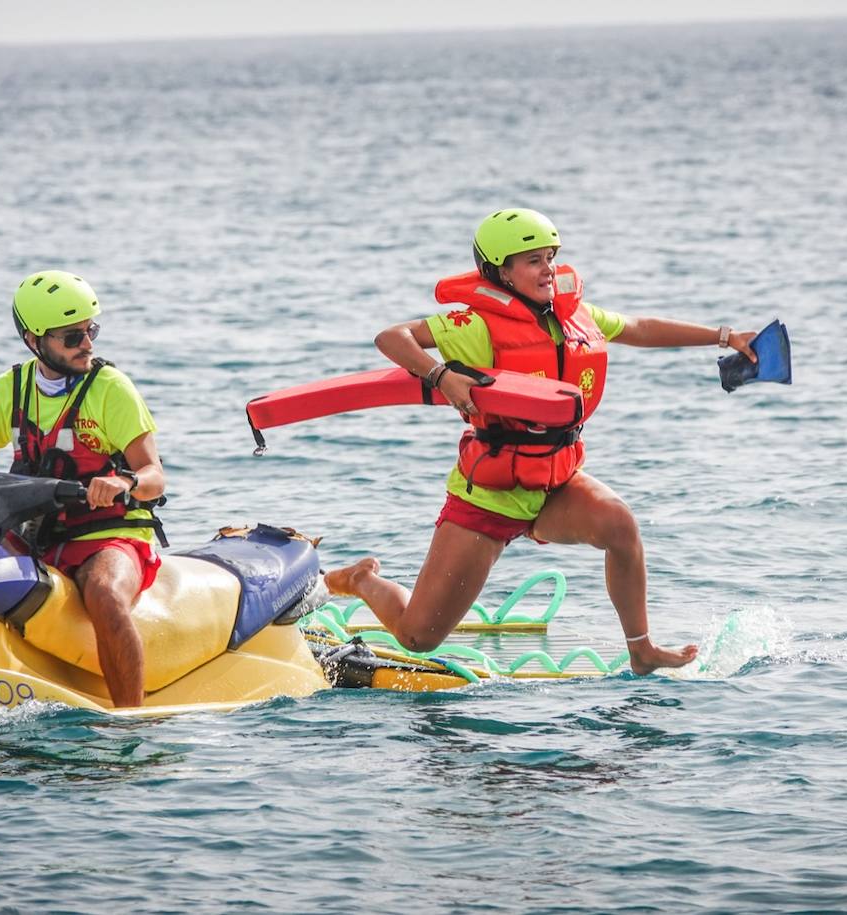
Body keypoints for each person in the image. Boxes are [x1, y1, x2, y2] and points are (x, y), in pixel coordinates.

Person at [324, 208, 760, 675]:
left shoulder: (573, 318)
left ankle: (642, 649)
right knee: (418, 638)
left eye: (550, 257)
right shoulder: (473, 326)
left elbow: (637, 328)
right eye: (532, 260)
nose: (548, 268)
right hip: (489, 498)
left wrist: (726, 336)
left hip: (554, 484)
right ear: (500, 272)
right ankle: (361, 579)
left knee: (620, 527)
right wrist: (441, 375)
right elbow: (392, 336)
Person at [0, 270, 165, 707]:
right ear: (34, 341)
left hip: (109, 534)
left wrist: (123, 481)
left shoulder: (112, 390)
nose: (88, 344)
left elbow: (154, 476)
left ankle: (130, 717)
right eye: (71, 336)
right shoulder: (12, 388)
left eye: (90, 330)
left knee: (103, 592)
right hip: (32, 532)